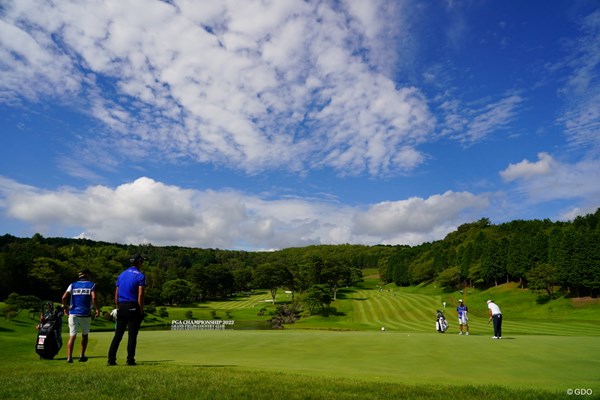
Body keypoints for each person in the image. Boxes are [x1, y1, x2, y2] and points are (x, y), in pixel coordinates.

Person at [107, 254, 147, 366]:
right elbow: (141, 294)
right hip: (133, 305)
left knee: (118, 334)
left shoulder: (122, 274)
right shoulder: (140, 276)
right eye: (142, 262)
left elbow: (116, 292)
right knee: (132, 335)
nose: (142, 264)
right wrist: (141, 309)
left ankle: (111, 359)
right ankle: (130, 360)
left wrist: (117, 306)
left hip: (121, 305)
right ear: (139, 262)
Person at [61, 269, 99, 363]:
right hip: (85, 314)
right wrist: (97, 309)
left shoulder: (72, 285)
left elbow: (64, 297)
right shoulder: (91, 285)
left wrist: (65, 307)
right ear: (88, 275)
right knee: (85, 335)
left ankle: (69, 358)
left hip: (73, 313)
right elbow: (94, 297)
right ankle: (82, 356)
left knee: (72, 336)